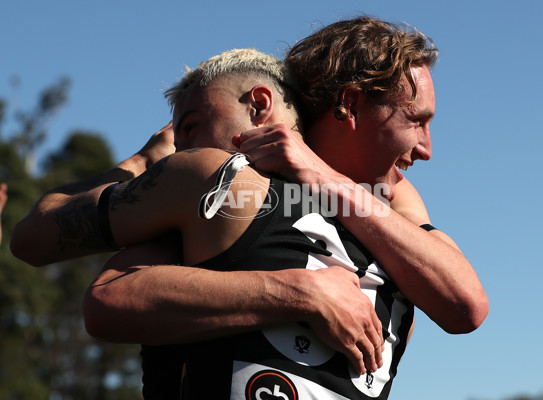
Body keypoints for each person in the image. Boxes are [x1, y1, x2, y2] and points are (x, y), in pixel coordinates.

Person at [12, 16, 488, 398]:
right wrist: (300, 293)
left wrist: (327, 180)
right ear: (349, 103)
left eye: (191, 127)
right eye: (416, 121)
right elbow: (97, 292)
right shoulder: (223, 185)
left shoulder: (392, 197)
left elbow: (466, 306)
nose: (426, 148)